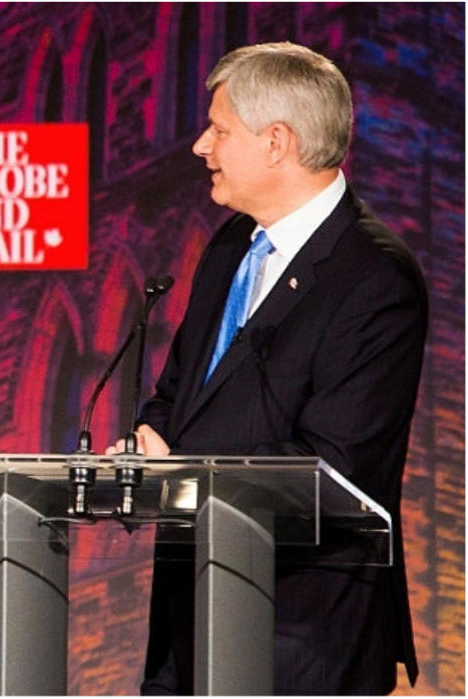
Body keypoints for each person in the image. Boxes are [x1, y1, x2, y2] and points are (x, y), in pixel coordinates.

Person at [109, 42, 425, 694]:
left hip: (302, 639)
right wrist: (150, 442)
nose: (201, 146)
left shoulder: (375, 277)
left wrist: (184, 475)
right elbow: (178, 395)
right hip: (188, 623)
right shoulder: (229, 246)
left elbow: (335, 467)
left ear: (277, 142)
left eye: (220, 130)